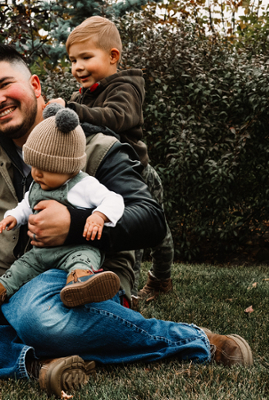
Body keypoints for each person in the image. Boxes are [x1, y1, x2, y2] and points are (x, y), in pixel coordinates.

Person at [0, 42, 252, 399]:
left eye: (6, 84)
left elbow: (150, 220)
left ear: (36, 86)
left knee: (39, 317)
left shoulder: (97, 144)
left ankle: (194, 340)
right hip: (5, 281)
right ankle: (33, 360)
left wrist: (74, 222)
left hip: (77, 277)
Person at [0, 106, 124, 318]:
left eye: (46, 169)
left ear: (69, 167)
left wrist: (99, 216)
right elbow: (27, 204)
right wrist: (13, 217)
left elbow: (114, 200)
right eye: (34, 166)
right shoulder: (38, 184)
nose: (36, 174)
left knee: (83, 260)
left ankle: (81, 284)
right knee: (20, 268)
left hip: (75, 249)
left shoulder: (83, 185)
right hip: (42, 253)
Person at [48, 16, 174, 299]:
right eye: (72, 60)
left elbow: (115, 119)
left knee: (151, 231)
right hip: (104, 174)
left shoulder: (125, 88)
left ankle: (158, 279)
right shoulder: (80, 97)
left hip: (136, 173)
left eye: (85, 57)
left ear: (112, 56)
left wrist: (72, 110)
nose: (77, 67)